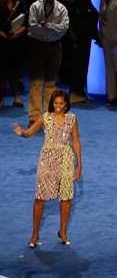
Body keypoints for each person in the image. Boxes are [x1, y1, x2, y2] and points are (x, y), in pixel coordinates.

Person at [12, 90, 82, 248]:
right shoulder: (45, 117)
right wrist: (22, 133)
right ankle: (35, 234)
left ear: (65, 105)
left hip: (65, 159)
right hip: (47, 160)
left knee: (66, 197)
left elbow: (76, 142)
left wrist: (79, 165)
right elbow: (29, 132)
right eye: (55, 103)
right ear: (52, 103)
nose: (58, 106)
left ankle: (62, 232)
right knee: (40, 198)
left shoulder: (72, 119)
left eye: (61, 103)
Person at [27, 0, 69, 125]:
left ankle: (49, 117)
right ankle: (34, 118)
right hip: (37, 46)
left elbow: (63, 28)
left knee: (51, 83)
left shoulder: (62, 9)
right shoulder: (35, 6)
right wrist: (50, 28)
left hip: (55, 46)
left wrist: (48, 25)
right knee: (36, 82)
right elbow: (32, 26)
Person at [62, 0, 99, 105]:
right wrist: (73, 38)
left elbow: (93, 15)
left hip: (85, 38)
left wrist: (96, 35)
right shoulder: (68, 2)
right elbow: (67, 23)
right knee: (75, 66)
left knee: (83, 66)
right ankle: (74, 93)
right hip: (74, 39)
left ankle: (80, 91)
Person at [0, 0, 27, 108]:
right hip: (2, 42)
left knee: (15, 71)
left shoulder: (20, 3)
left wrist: (18, 32)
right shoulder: (0, 4)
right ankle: (1, 98)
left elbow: (26, 22)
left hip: (16, 42)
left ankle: (17, 97)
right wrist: (3, 35)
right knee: (2, 72)